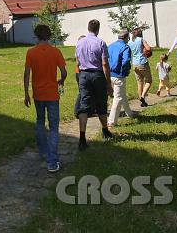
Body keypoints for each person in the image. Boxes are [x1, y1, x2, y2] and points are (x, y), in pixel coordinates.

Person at [24, 24, 68, 172]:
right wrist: (61, 81)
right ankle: (52, 160)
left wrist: (26, 93)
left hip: (38, 94)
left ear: (36, 36)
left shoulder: (31, 52)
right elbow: (63, 71)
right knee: (54, 126)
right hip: (52, 94)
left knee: (40, 121)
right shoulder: (56, 52)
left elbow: (26, 74)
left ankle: (43, 152)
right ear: (49, 36)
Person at [75, 19, 114, 150]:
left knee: (84, 104)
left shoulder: (79, 42)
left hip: (83, 74)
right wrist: (108, 83)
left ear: (88, 28)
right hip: (97, 74)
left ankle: (82, 137)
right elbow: (104, 64)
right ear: (98, 29)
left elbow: (77, 60)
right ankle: (105, 130)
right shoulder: (101, 42)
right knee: (101, 102)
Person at [108, 30, 137, 127]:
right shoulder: (125, 47)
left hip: (109, 74)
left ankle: (130, 113)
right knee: (118, 98)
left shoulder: (110, 46)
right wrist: (126, 71)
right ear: (127, 38)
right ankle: (111, 122)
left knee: (122, 95)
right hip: (119, 75)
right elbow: (126, 61)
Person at [128, 28, 153, 107]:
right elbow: (148, 48)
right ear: (140, 33)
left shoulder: (130, 42)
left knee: (139, 82)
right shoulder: (141, 39)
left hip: (135, 64)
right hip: (142, 62)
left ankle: (142, 102)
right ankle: (142, 96)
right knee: (149, 81)